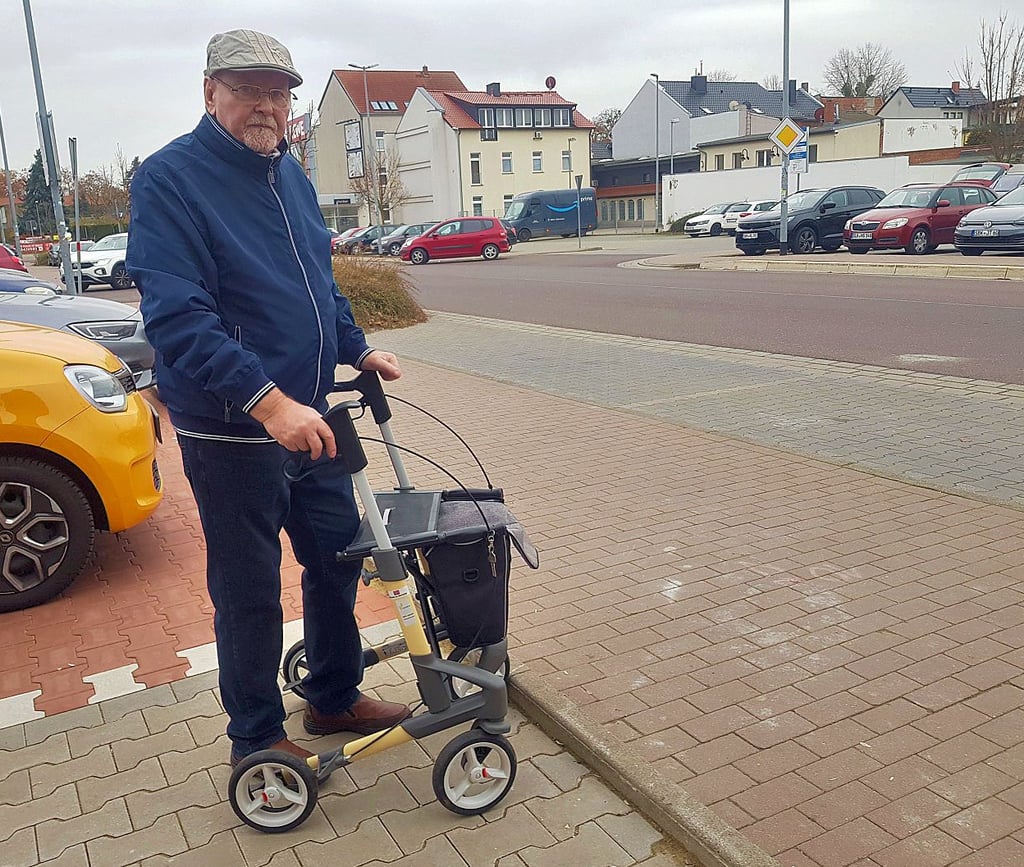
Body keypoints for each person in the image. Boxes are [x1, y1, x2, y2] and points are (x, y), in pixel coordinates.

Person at [126, 29, 410, 766]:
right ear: (210, 92)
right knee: (249, 589)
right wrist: (268, 401)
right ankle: (255, 737)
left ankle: (333, 694)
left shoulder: (291, 176)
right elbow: (178, 317)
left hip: (311, 418)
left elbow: (319, 284)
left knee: (339, 556)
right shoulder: (170, 179)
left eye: (279, 92)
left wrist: (355, 347)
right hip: (233, 428)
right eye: (249, 89)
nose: (267, 105)